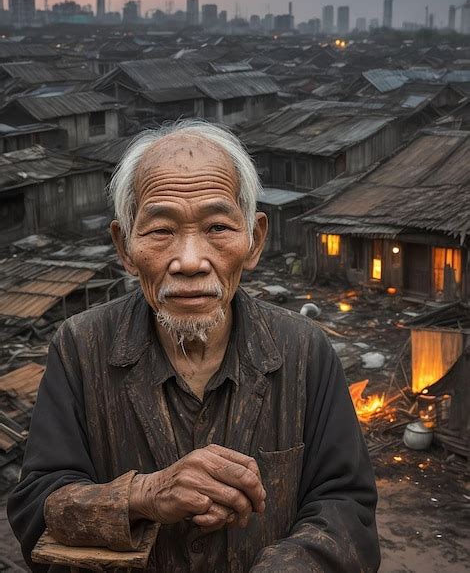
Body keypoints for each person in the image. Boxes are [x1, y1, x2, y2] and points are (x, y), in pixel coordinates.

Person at [8, 121, 380, 572]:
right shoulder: (80, 347)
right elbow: (35, 509)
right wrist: (145, 495)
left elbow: (346, 507)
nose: (189, 261)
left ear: (254, 241)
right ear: (125, 248)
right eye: (161, 230)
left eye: (218, 226)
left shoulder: (305, 351)